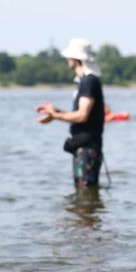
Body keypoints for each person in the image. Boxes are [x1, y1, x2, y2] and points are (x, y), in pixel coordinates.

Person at [36, 38, 106, 188]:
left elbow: (82, 115)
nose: (67, 59)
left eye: (69, 56)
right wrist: (56, 112)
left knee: (85, 192)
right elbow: (84, 115)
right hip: (86, 146)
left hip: (88, 147)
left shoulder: (88, 82)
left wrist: (56, 116)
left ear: (75, 58)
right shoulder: (86, 81)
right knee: (84, 192)